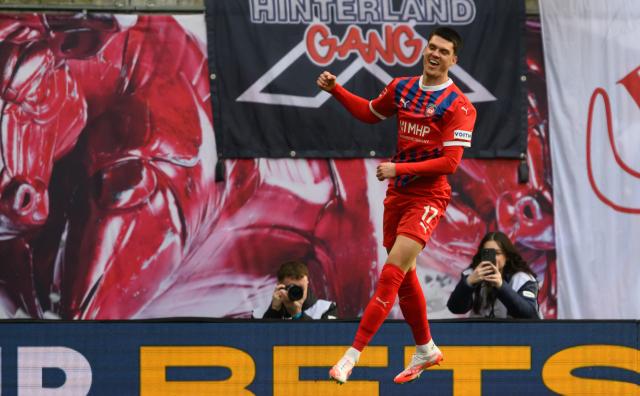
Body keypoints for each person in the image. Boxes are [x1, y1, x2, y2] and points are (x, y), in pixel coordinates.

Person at [316, 27, 477, 384]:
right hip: (397, 195)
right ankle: (426, 348)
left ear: (454, 60)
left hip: (428, 197)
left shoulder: (460, 106)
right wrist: (337, 91)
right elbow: (371, 113)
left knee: (391, 272)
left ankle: (350, 356)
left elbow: (450, 163)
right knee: (405, 276)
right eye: (431, 47)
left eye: (443, 51)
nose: (434, 54)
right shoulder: (402, 87)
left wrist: (398, 168)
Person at [447, 231, 541, 319]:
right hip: (479, 334)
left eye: (497, 253)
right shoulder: (472, 274)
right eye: (488, 253)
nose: (493, 258)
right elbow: (455, 308)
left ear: (507, 256)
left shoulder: (521, 278)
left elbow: (530, 315)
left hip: (511, 334)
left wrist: (501, 286)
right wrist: (468, 283)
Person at [263, 260, 338, 320]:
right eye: (291, 287)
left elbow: (326, 337)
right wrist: (274, 310)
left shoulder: (326, 308)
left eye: (300, 288)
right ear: (280, 285)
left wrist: (297, 315)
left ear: (307, 282)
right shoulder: (272, 307)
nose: (296, 291)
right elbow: (263, 335)